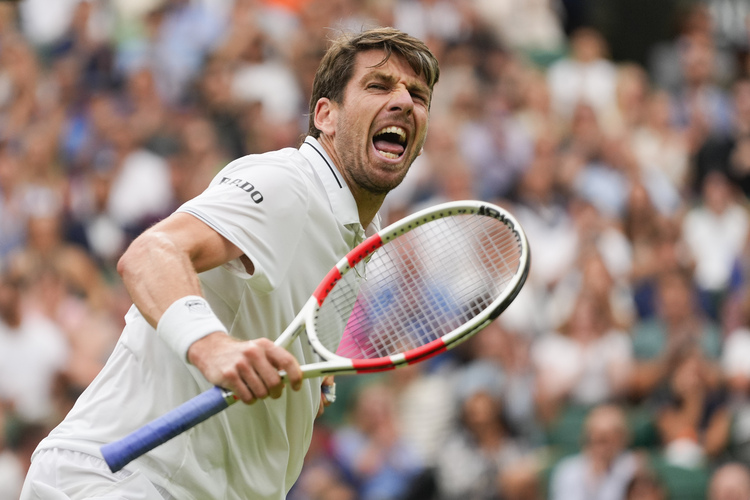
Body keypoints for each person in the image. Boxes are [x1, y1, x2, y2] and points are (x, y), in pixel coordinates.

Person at [20, 26, 440, 500]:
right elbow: (150, 254)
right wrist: (212, 346)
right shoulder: (290, 183)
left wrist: (308, 392)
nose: (404, 101)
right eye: (378, 85)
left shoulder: (358, 231)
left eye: (418, 95)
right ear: (326, 115)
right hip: (128, 480)